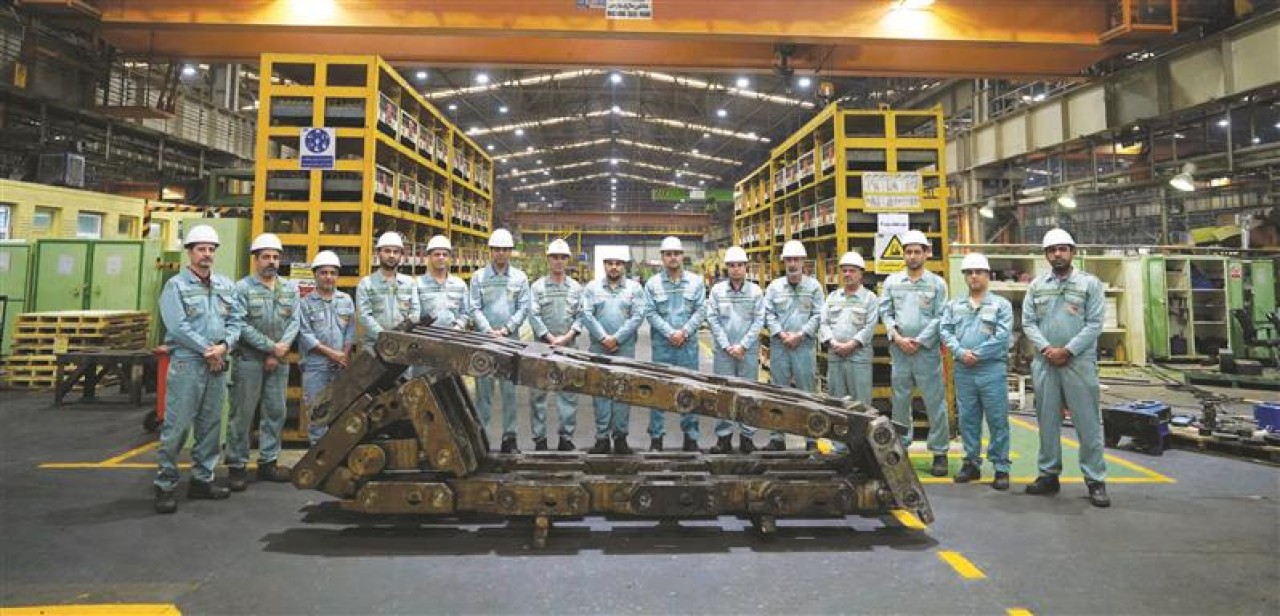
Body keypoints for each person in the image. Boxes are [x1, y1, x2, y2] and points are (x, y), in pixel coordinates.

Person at [153, 224, 243, 513]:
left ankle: (202, 480)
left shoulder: (225, 285)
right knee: (177, 426)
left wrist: (224, 347)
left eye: (211, 249)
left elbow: (236, 321)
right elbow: (178, 327)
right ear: (190, 252)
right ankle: (165, 484)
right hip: (188, 363)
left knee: (211, 425)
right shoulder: (175, 286)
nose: (207, 254)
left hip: (217, 362)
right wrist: (208, 350)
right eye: (201, 249)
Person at [1023, 229, 1110, 507]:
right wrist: (1047, 349)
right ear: (1046, 255)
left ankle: (1095, 480)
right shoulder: (1037, 286)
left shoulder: (1089, 284)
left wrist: (1068, 350)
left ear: (1073, 252)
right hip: (1045, 363)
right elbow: (1028, 323)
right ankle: (1048, 474)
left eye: (1062, 249)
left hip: (1078, 363)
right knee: (1047, 422)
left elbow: (1095, 324)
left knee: (1087, 423)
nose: (1057, 254)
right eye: (1052, 250)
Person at [226, 233, 300, 489]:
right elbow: (240, 325)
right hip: (249, 360)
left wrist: (281, 349)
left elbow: (294, 321)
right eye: (266, 256)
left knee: (275, 411)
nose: (271, 261)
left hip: (279, 361)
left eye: (275, 257)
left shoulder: (289, 288)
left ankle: (268, 462)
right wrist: (271, 347)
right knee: (242, 414)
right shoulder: (242, 289)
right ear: (255, 259)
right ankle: (237, 466)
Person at [880, 229, 951, 476]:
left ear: (926, 253)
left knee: (935, 402)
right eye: (908, 252)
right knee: (900, 402)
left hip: (926, 353)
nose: (912, 256)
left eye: (917, 252)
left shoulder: (937, 284)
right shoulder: (892, 282)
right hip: (900, 352)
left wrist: (919, 341)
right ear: (903, 255)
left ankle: (940, 452)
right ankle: (902, 448)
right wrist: (896, 336)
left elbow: (941, 316)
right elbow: (885, 312)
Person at [940, 252, 1013, 490]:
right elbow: (945, 331)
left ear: (987, 275)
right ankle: (971, 463)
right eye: (969, 272)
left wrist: (978, 354)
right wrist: (960, 353)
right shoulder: (954, 306)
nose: (974, 276)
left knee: (997, 419)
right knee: (968, 419)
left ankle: (1001, 467)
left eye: (979, 272)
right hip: (964, 370)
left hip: (991, 370)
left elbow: (1002, 336)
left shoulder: (1001, 305)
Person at [580, 246, 647, 454]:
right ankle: (602, 438)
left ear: (624, 266)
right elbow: (586, 314)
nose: (614, 267)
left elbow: (638, 316)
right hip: (598, 348)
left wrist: (617, 338)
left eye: (618, 263)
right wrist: (603, 338)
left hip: (624, 348)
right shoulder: (592, 288)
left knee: (623, 392)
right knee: (600, 392)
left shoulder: (634, 289)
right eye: (610, 263)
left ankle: (620, 438)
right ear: (604, 265)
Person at [470, 228, 531, 453]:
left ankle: (510, 438)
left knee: (509, 393)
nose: (501, 253)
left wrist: (507, 329)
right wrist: (488, 330)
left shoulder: (520, 278)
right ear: (491, 251)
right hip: (485, 343)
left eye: (505, 249)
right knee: (483, 394)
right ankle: (483, 439)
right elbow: (474, 307)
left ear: (510, 251)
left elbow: (524, 307)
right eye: (497, 249)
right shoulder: (478, 277)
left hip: (510, 343)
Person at [644, 236, 707, 451]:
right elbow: (650, 312)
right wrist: (670, 333)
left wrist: (685, 332)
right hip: (663, 347)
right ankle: (656, 438)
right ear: (662, 257)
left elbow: (701, 310)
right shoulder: (652, 284)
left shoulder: (696, 282)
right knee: (658, 392)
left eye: (677, 253)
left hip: (687, 348)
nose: (673, 257)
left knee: (690, 391)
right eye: (668, 254)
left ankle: (691, 437)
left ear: (682, 256)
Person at [763, 240, 825, 450]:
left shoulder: (814, 287)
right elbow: (768, 314)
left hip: (804, 347)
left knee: (807, 393)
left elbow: (818, 314)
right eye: (788, 260)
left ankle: (811, 438)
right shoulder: (774, 287)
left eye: (796, 259)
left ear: (803, 261)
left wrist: (801, 335)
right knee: (778, 392)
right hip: (780, 347)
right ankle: (777, 438)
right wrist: (781, 334)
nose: (792, 264)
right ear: (784, 262)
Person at [705, 245, 765, 453]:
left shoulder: (756, 292)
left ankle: (747, 437)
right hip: (724, 353)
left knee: (748, 394)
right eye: (732, 265)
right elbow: (712, 319)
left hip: (747, 353)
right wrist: (726, 345)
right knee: (723, 393)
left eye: (740, 265)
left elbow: (759, 320)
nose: (736, 269)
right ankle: (724, 438)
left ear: (746, 267)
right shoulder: (717, 291)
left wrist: (743, 345)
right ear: (727, 268)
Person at [528, 239, 584, 451]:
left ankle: (565, 439)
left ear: (567, 260)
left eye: (562, 257)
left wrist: (566, 337)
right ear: (548, 259)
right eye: (554, 257)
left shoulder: (576, 288)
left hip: (569, 349)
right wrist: (551, 338)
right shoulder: (537, 287)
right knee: (538, 395)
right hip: (542, 349)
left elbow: (581, 316)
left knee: (568, 394)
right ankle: (539, 440)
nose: (558, 261)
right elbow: (533, 315)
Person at [298, 250, 356, 445]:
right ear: (315, 275)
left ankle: (337, 455)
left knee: (340, 413)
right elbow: (305, 336)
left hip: (340, 366)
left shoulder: (346, 300)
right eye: (323, 272)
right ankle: (318, 456)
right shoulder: (305, 303)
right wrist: (332, 354)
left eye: (332, 273)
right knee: (318, 414)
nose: (328, 277)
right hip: (316, 367)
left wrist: (344, 355)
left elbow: (350, 331)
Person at [820, 251, 878, 406]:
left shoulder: (870, 298)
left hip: (858, 359)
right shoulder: (832, 297)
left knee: (860, 403)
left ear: (861, 274)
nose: (847, 274)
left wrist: (850, 345)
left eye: (852, 270)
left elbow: (869, 327)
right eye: (844, 270)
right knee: (836, 402)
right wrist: (833, 343)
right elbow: (823, 323)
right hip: (836, 357)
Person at [355, 231, 419, 349]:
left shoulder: (409, 283)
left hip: (402, 345)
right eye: (387, 251)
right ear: (378, 253)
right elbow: (364, 316)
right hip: (374, 346)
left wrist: (400, 335)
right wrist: (386, 338)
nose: (392, 255)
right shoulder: (366, 284)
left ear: (401, 255)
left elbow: (415, 313)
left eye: (396, 252)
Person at [416, 235, 470, 330]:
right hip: (426, 336)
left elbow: (466, 312)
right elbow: (414, 314)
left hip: (453, 335)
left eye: (445, 255)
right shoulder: (418, 284)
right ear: (429, 257)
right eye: (437, 254)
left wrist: (458, 327)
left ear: (449, 258)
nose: (441, 257)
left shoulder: (460, 284)